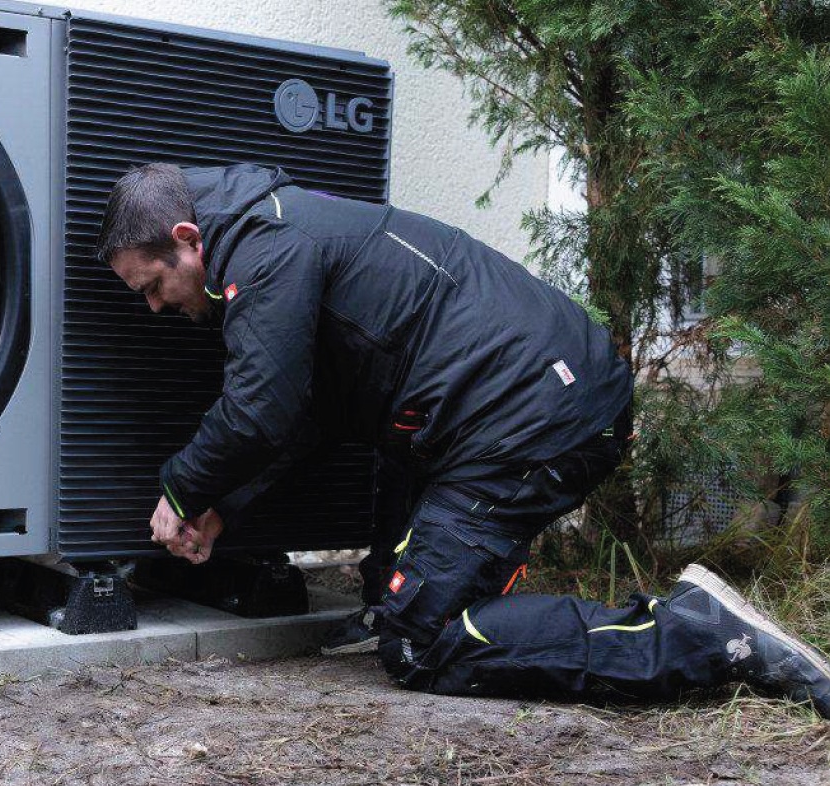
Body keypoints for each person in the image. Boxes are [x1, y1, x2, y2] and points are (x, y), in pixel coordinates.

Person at [95, 161, 830, 717]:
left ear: (187, 239)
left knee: (418, 645)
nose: (155, 307)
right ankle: (418, 600)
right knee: (394, 584)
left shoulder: (268, 248)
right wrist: (226, 506)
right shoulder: (274, 230)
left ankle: (698, 635)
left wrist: (180, 490)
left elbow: (260, 408)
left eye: (152, 286)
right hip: (489, 418)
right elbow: (309, 410)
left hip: (532, 420)